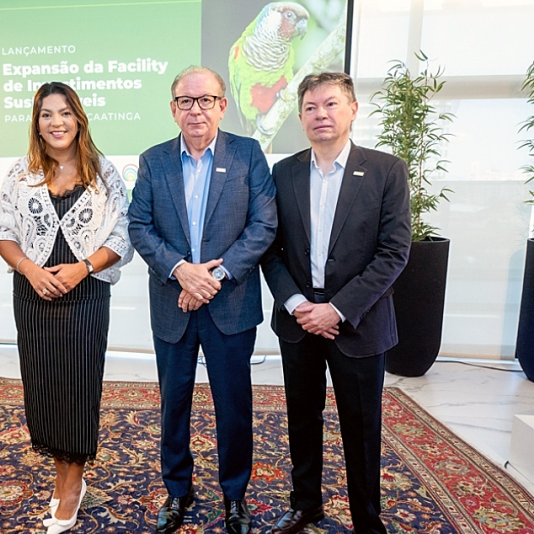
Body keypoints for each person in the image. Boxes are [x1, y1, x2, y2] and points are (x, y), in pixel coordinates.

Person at [260, 72, 411, 534]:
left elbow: (394, 252)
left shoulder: (386, 170)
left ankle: (367, 519)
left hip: (358, 323)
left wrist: (337, 309)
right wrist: (297, 304)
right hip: (299, 321)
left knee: (361, 427)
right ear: (300, 116)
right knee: (302, 419)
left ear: (353, 110)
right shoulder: (283, 172)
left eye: (330, 104)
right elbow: (271, 248)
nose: (320, 114)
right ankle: (305, 504)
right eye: (310, 107)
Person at [128, 66, 277, 534]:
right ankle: (178, 490)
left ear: (222, 105)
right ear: (173, 109)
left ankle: (235, 495)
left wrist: (214, 277)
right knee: (173, 405)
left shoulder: (248, 154)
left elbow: (263, 225)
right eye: (186, 101)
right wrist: (182, 271)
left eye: (206, 100)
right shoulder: (154, 161)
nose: (196, 110)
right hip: (172, 304)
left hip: (230, 304)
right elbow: (139, 226)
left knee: (233, 406)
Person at [0, 81, 132, 534]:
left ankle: (74, 483)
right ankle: (62, 472)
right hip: (33, 296)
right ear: (36, 123)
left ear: (79, 119)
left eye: (65, 113)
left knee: (78, 388)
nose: (57, 122)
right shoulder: (20, 172)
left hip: (85, 296)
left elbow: (122, 236)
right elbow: (2, 232)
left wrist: (83, 268)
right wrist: (30, 270)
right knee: (44, 388)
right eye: (47, 114)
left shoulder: (104, 173)